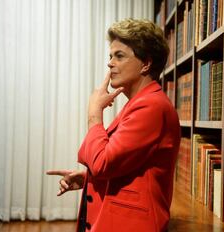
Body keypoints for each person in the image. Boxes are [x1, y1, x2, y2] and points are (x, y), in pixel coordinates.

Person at [46, 18, 181, 232]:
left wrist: (94, 114)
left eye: (119, 56)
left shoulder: (151, 106)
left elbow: (103, 163)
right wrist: (88, 178)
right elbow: (127, 165)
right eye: (110, 56)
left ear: (146, 63)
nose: (110, 63)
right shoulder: (140, 103)